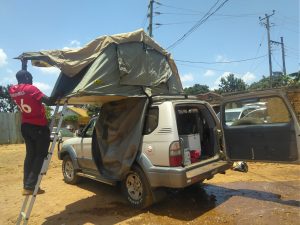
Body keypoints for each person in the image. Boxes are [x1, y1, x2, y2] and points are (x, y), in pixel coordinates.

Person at [9, 70, 56, 195]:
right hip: (38, 127)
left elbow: (21, 82)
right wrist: (60, 94)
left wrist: (24, 66)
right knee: (40, 155)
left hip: (26, 126)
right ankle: (30, 186)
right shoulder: (31, 89)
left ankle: (27, 186)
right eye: (31, 77)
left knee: (30, 155)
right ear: (26, 77)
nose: (32, 80)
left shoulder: (13, 90)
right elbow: (50, 101)